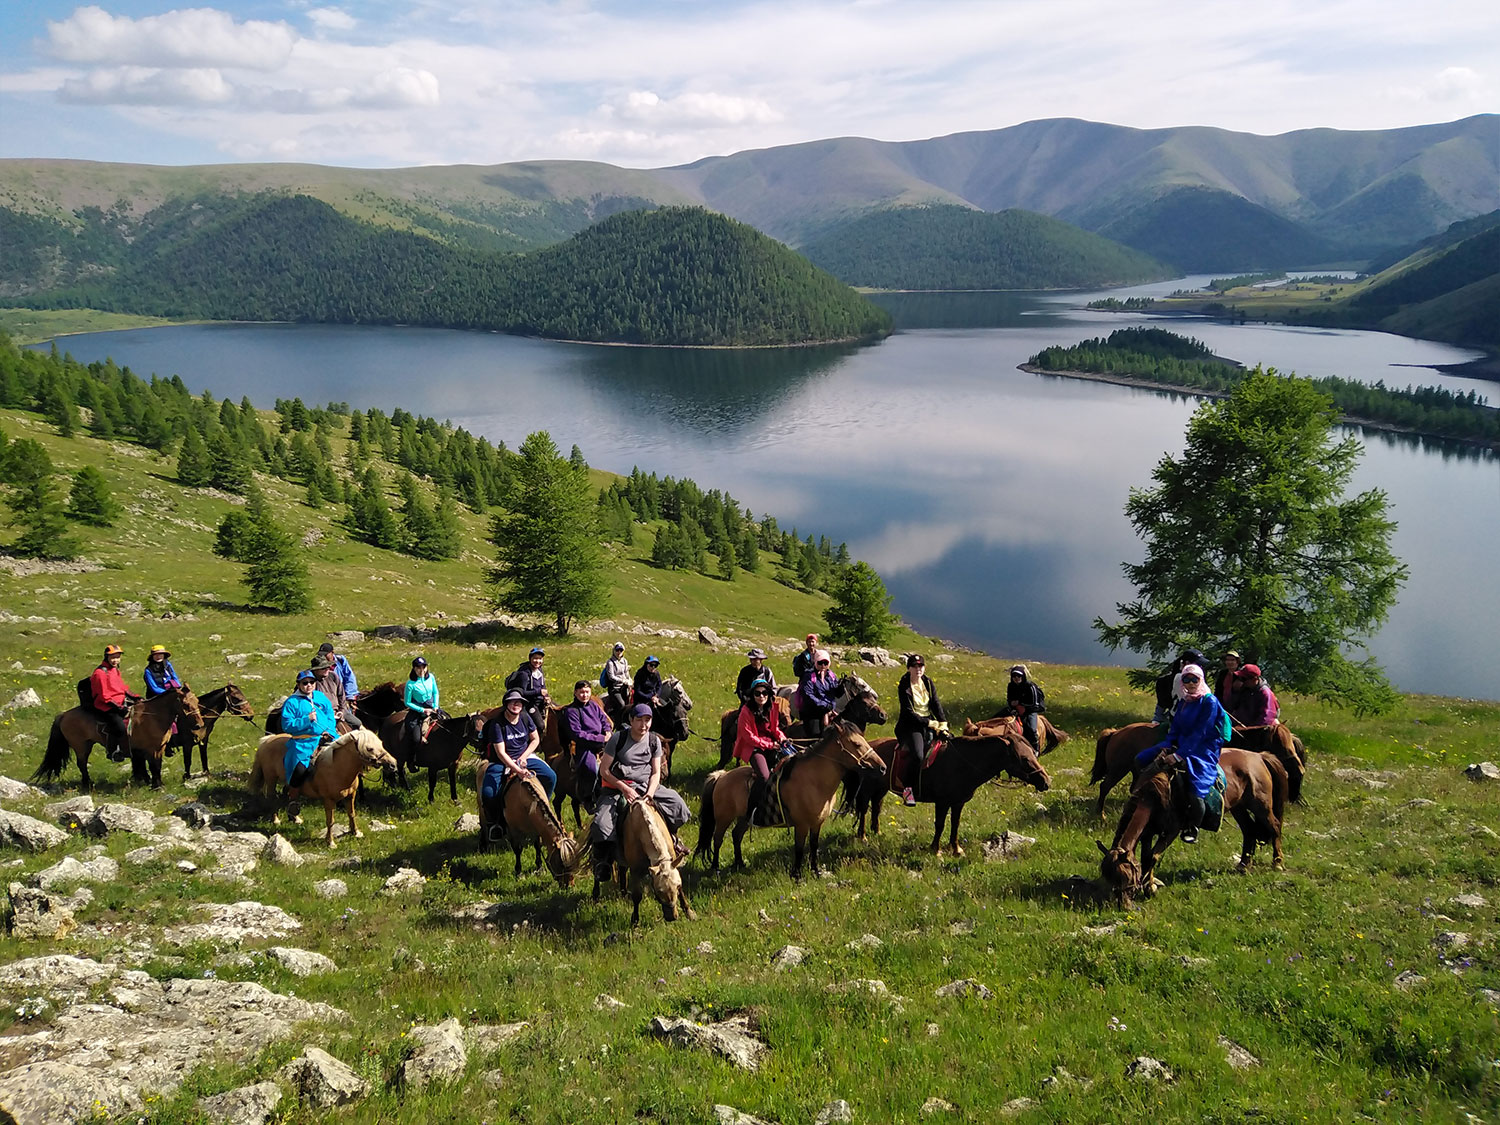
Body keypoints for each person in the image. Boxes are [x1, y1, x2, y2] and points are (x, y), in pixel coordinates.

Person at [1134, 663, 1230, 844]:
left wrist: (1179, 756)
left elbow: (1201, 732)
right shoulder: (1185, 701)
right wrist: (1167, 746)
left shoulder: (1209, 701)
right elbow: (1175, 728)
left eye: (1195, 679)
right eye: (1187, 679)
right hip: (1180, 743)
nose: (1191, 683)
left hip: (1203, 748)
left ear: (1201, 680)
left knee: (1196, 785)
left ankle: (1192, 826)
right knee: (1141, 759)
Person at [590, 703, 691, 864]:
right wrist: (624, 789)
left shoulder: (654, 741)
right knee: (602, 823)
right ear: (631, 720)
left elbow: (656, 772)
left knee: (678, 805)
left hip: (645, 785)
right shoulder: (618, 739)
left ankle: (673, 837)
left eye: (647, 720)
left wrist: (650, 794)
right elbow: (604, 771)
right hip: (618, 787)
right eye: (639, 720)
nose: (643, 725)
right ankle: (604, 860)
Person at [481, 689, 556, 839]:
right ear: (506, 704)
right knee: (488, 793)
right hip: (502, 761)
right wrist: (518, 770)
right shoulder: (498, 724)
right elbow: (501, 753)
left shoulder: (525, 717)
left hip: (525, 757)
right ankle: (495, 823)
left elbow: (535, 739)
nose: (516, 704)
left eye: (519, 702)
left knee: (551, 776)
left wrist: (524, 756)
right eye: (512, 702)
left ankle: (543, 806)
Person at [280, 668, 336, 817]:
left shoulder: (321, 697)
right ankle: (293, 798)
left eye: (312, 682)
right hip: (302, 743)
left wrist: (329, 731)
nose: (309, 685)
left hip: (326, 737)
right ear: (299, 685)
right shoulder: (291, 702)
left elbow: (330, 716)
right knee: (300, 770)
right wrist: (306, 720)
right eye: (305, 683)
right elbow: (287, 725)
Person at [894, 654, 948, 806]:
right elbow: (908, 712)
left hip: (930, 722)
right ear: (909, 668)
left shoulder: (928, 682)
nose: (918, 669)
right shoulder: (904, 685)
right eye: (914, 666)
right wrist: (930, 723)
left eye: (921, 666)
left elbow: (936, 704)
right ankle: (908, 789)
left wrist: (943, 722)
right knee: (918, 755)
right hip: (911, 725)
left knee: (950, 745)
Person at [735, 679, 791, 826]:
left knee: (792, 762)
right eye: (758, 693)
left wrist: (782, 738)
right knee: (764, 777)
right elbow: (748, 737)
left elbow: (775, 729)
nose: (761, 696)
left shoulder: (772, 708)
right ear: (752, 695)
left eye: (765, 693)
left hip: (770, 744)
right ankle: (751, 811)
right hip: (753, 748)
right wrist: (769, 745)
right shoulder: (745, 712)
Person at [562, 680, 612, 809]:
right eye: (582, 692)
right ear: (575, 693)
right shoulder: (571, 711)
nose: (584, 695)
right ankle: (587, 797)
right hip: (585, 746)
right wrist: (601, 738)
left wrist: (607, 731)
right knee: (591, 769)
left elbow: (604, 720)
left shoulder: (594, 706)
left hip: (603, 742)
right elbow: (577, 734)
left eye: (587, 692)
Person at [90, 644, 142, 762]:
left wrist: (136, 697)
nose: (115, 660)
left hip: (121, 702)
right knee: (120, 727)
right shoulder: (100, 673)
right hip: (106, 706)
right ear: (106, 657)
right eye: (113, 657)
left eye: (118, 657)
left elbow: (122, 688)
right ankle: (113, 751)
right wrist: (120, 708)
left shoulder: (114, 670)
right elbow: (104, 697)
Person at [994, 664, 1046, 751]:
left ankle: (1035, 749)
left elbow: (1035, 704)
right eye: (1014, 676)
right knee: (996, 717)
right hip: (1015, 709)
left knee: (1031, 729)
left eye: (1019, 676)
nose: (1016, 678)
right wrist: (1012, 706)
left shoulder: (1030, 686)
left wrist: (1021, 704)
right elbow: (1009, 699)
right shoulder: (1010, 686)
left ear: (1023, 676)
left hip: (1030, 710)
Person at [1153, 648, 1206, 725]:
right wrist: (1157, 719)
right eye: (1198, 664)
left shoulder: (1199, 679)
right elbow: (1162, 703)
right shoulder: (1167, 681)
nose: (1200, 667)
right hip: (1176, 719)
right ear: (1187, 663)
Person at [799, 649, 840, 740]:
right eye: (820, 663)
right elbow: (808, 695)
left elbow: (835, 692)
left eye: (825, 663)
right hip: (812, 713)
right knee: (815, 738)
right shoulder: (809, 676)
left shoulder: (831, 676)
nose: (823, 666)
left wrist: (841, 688)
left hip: (830, 711)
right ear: (815, 662)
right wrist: (824, 705)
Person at [310, 653, 359, 729]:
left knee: (357, 723)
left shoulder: (333, 676)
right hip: (321, 714)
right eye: (323, 668)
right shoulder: (310, 682)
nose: (327, 669)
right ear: (316, 670)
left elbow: (341, 695)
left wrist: (341, 711)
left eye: (328, 667)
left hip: (339, 711)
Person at [505, 647, 551, 728]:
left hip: (541, 700)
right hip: (529, 703)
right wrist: (538, 692)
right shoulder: (524, 674)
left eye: (540, 659)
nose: (538, 661)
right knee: (540, 725)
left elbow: (543, 686)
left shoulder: (539, 670)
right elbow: (522, 692)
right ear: (530, 659)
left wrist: (546, 696)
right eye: (535, 658)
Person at [403, 656, 439, 751]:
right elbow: (407, 702)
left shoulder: (431, 677)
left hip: (432, 707)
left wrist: (435, 705)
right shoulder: (410, 684)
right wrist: (422, 710)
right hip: (418, 711)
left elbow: (435, 692)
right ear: (414, 669)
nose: (422, 670)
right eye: (418, 668)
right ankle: (413, 758)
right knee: (416, 738)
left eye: (424, 667)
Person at [600, 642, 632, 721]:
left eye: (621, 650)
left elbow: (626, 673)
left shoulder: (625, 661)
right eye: (617, 650)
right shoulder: (610, 662)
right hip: (614, 688)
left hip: (624, 687)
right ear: (614, 651)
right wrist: (622, 680)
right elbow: (611, 677)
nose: (619, 652)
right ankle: (619, 722)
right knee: (622, 704)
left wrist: (630, 680)